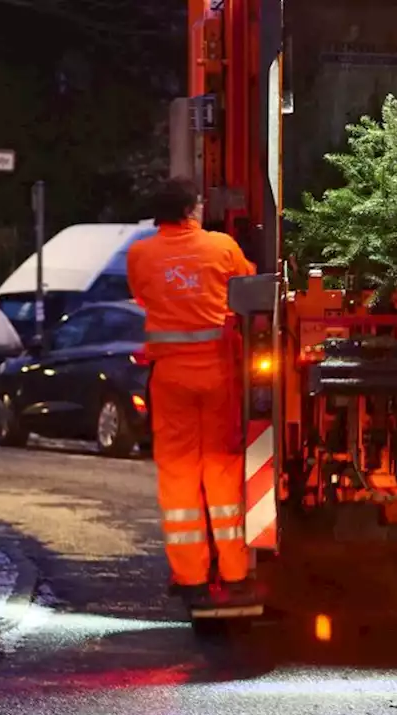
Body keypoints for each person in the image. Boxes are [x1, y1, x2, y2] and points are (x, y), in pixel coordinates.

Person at [127, 177, 257, 608]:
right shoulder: (221, 247)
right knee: (221, 467)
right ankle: (236, 572)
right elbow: (249, 286)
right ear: (191, 210)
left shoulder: (140, 254)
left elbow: (144, 297)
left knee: (178, 474)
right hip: (219, 373)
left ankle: (191, 577)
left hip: (170, 377)